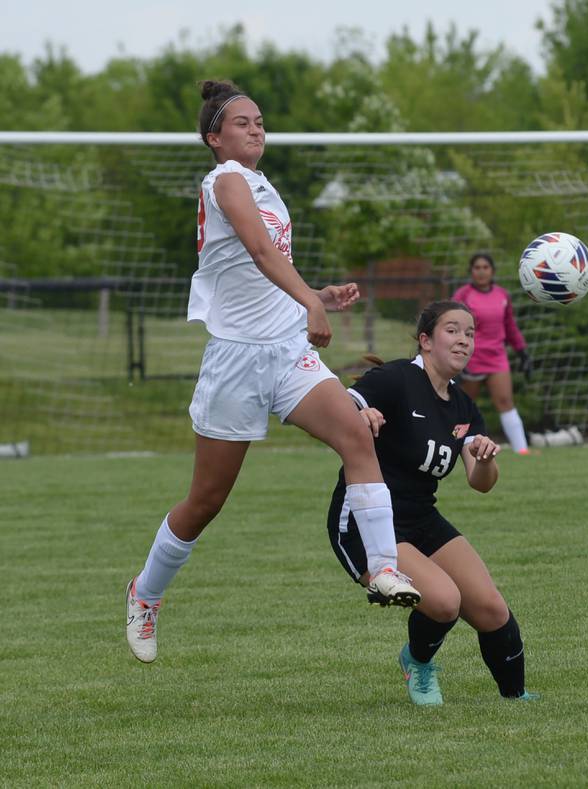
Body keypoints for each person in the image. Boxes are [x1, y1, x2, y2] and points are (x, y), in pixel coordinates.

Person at [125, 80, 420, 664]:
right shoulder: (224, 180)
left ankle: (383, 568)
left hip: (286, 351)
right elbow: (260, 253)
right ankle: (146, 594)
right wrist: (310, 302)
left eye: (259, 120)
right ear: (214, 137)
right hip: (235, 361)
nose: (256, 128)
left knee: (357, 435)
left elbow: (268, 268)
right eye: (241, 122)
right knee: (206, 500)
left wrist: (314, 296)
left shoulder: (262, 184)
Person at [326, 301, 540, 705]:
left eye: (470, 333)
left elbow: (481, 484)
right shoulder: (396, 379)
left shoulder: (462, 406)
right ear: (425, 341)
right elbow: (335, 404)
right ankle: (417, 663)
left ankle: (516, 699)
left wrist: (485, 460)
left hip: (421, 517)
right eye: (453, 330)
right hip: (366, 520)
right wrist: (362, 410)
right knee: (444, 602)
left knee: (491, 609)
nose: (464, 339)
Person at [451, 253, 532, 455]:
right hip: (471, 357)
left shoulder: (502, 295)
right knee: (464, 408)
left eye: (485, 267)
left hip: (497, 357)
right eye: (477, 267)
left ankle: (522, 450)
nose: (481, 271)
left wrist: (522, 351)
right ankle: (451, 447)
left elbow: (510, 326)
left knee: (505, 401)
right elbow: (449, 324)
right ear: (471, 271)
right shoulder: (462, 295)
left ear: (492, 271)